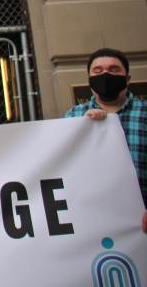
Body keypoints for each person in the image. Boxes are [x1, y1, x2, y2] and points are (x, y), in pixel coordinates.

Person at [64, 48, 147, 233]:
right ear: (89, 79)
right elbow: (67, 165)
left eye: (114, 69)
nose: (106, 75)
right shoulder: (74, 115)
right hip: (95, 220)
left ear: (128, 78)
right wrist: (82, 129)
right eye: (98, 71)